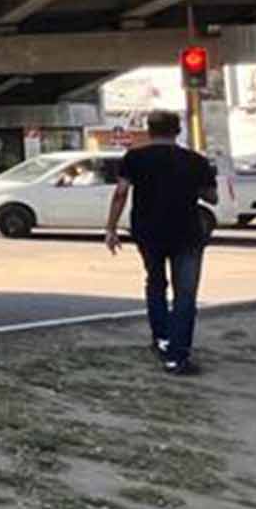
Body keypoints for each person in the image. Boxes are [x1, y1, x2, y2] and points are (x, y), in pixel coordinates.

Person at [105, 110, 220, 374]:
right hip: (187, 232)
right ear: (178, 131)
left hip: (148, 231)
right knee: (185, 294)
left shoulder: (134, 158)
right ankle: (178, 357)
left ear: (149, 130)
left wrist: (111, 228)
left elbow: (121, 192)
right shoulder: (194, 161)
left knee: (155, 283)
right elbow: (211, 197)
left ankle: (161, 338)